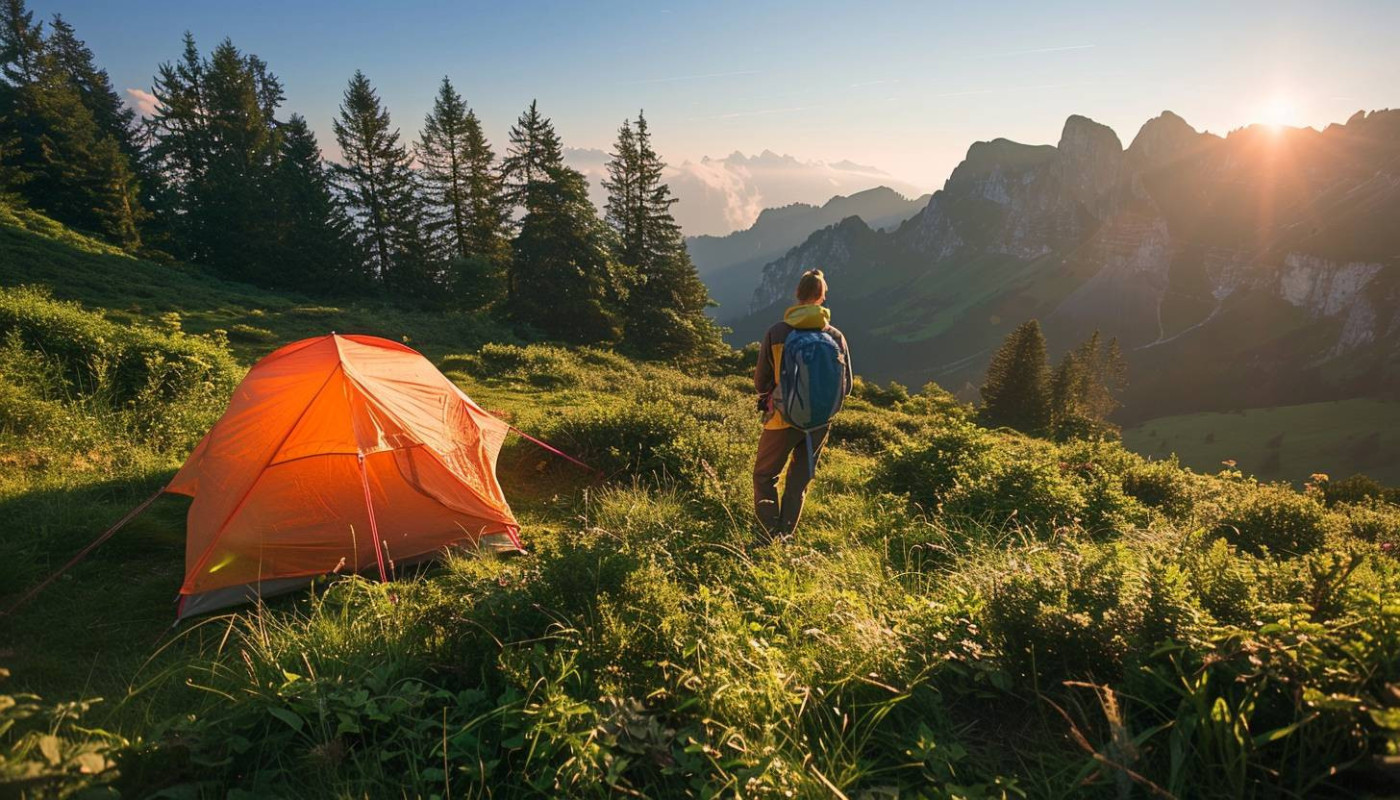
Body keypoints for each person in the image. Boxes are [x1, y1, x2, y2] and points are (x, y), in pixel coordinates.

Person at [752, 268, 852, 541]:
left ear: (797, 294)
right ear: (822, 297)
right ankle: (786, 537)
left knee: (765, 476)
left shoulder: (777, 332)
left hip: (781, 420)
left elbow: (761, 383)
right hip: (819, 423)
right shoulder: (836, 336)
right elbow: (848, 386)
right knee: (798, 483)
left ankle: (768, 536)